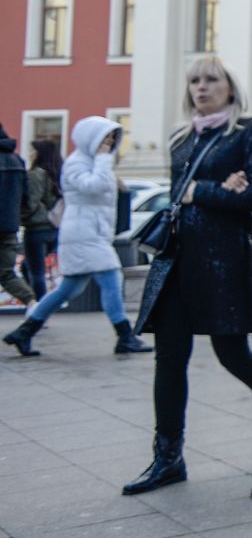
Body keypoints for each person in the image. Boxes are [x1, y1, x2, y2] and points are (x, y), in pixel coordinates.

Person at [122, 58, 252, 495]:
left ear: (230, 88)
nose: (202, 87)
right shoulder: (181, 138)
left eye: (211, 79)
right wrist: (222, 187)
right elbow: (181, 197)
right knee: (169, 357)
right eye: (195, 81)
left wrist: (206, 190)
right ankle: (168, 457)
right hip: (177, 259)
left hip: (223, 260)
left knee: (232, 354)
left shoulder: (249, 130)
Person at [3, 118, 151, 358]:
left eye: (113, 138)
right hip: (84, 234)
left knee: (68, 289)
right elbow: (93, 187)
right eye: (106, 138)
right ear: (90, 138)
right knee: (112, 278)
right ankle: (125, 336)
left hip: (89, 233)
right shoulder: (78, 163)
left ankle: (24, 332)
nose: (110, 143)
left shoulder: (90, 162)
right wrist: (104, 161)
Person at [21, 141, 62, 299]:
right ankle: (36, 305)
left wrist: (21, 218)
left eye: (32, 150)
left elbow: (30, 202)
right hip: (54, 227)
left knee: (35, 272)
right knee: (28, 267)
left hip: (36, 228)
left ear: (39, 153)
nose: (30, 153)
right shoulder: (57, 173)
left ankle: (39, 311)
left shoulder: (36, 174)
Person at [0, 125, 30, 309]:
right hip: (9, 226)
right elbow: (26, 198)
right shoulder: (17, 160)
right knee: (7, 274)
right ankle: (34, 305)